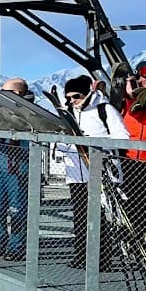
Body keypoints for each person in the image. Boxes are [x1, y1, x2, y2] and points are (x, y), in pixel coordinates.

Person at [61, 74, 129, 268]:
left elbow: (122, 136)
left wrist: (95, 144)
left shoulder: (104, 109)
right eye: (69, 97)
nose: (72, 101)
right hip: (76, 172)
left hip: (100, 171)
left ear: (87, 93)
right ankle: (82, 254)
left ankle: (101, 259)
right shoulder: (69, 113)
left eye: (76, 96)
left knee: (99, 216)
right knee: (81, 214)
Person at [0, 78, 35, 258]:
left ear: (17, 93)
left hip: (17, 167)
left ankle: (17, 246)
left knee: (18, 209)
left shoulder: (30, 112)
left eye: (5, 91)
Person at [121, 60, 146, 242]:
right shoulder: (126, 98)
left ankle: (140, 236)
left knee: (143, 201)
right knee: (130, 199)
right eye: (145, 76)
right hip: (128, 158)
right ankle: (131, 236)